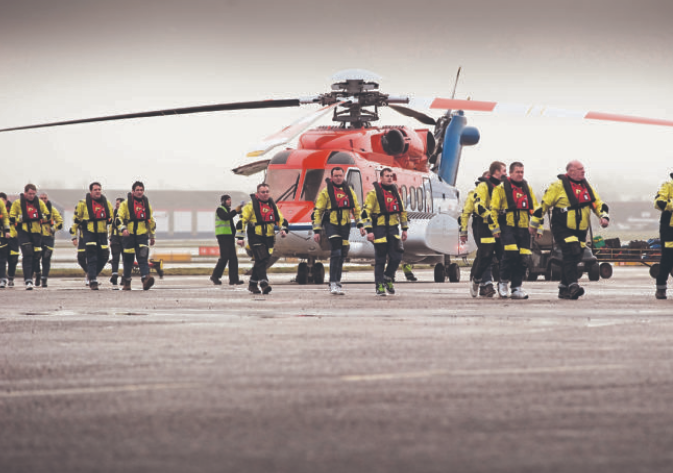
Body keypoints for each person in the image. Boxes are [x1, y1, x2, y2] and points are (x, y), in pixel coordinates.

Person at [530, 160, 609, 299]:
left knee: (578, 255)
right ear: (571, 171)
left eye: (583, 169)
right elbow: (543, 206)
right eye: (580, 169)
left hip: (580, 230)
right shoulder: (557, 186)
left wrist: (603, 216)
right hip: (562, 227)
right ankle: (573, 285)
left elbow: (597, 203)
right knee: (571, 251)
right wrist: (534, 225)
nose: (583, 171)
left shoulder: (586, 186)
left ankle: (563, 287)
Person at [490, 162, 540, 299]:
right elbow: (493, 210)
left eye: (522, 172)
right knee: (510, 254)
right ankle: (503, 282)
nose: (520, 174)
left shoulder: (527, 188)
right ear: (510, 173)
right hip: (507, 225)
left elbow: (535, 209)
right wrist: (495, 228)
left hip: (524, 228)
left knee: (523, 257)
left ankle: (517, 287)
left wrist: (538, 228)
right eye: (517, 172)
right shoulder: (500, 189)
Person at [313, 167, 364, 295]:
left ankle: (337, 282)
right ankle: (333, 282)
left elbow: (356, 210)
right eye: (335, 176)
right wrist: (317, 230)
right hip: (331, 224)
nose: (338, 178)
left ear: (343, 177)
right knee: (336, 252)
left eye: (340, 175)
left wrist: (361, 225)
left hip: (345, 225)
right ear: (332, 177)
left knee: (342, 255)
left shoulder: (349, 191)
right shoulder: (325, 193)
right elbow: (318, 212)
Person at [362, 167, 408, 296]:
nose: (389, 178)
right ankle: (379, 285)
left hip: (393, 229)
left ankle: (388, 276)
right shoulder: (373, 194)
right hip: (379, 229)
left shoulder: (396, 193)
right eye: (387, 176)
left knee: (397, 256)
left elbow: (402, 212)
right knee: (380, 259)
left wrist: (404, 229)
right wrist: (369, 231)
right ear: (381, 178)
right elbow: (365, 213)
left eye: (391, 176)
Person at [237, 183, 288, 294]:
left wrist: (283, 230)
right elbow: (242, 221)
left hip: (269, 237)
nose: (265, 194)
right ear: (258, 193)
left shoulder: (272, 205)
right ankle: (264, 283)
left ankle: (252, 284)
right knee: (261, 258)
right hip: (255, 236)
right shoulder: (250, 206)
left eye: (267, 192)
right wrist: (240, 237)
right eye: (262, 192)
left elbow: (280, 219)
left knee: (263, 261)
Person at [469, 161, 507, 298]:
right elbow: (476, 207)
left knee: (503, 255)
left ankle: (501, 284)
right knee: (486, 255)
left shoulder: (503, 188)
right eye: (504, 170)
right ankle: (480, 281)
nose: (506, 174)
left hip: (500, 225)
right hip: (484, 226)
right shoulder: (482, 188)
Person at [71, 182, 114, 290]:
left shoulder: (107, 203)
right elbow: (76, 220)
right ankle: (93, 280)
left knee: (105, 256)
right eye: (95, 189)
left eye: (99, 189)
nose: (98, 191)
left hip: (102, 233)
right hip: (89, 233)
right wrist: (74, 236)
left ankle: (91, 274)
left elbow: (112, 219)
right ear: (91, 191)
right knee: (92, 257)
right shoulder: (83, 204)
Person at [116, 181, 157, 291]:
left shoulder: (146, 204)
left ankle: (146, 279)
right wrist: (123, 229)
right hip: (129, 236)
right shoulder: (125, 204)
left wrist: (152, 236)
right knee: (128, 260)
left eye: (141, 190)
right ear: (133, 191)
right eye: (137, 190)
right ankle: (127, 282)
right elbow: (118, 218)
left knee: (143, 258)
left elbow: (150, 221)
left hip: (142, 236)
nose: (139, 192)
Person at [461, 171, 496, 297]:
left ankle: (478, 279)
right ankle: (486, 284)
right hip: (480, 225)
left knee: (486, 255)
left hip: (496, 226)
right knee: (486, 255)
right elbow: (465, 214)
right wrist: (463, 232)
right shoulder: (474, 194)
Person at [9, 184, 50, 290]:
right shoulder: (17, 203)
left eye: (33, 194)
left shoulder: (39, 203)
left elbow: (47, 215)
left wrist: (39, 216)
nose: (31, 196)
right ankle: (28, 280)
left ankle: (37, 272)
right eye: (29, 193)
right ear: (25, 193)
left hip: (36, 233)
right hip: (23, 232)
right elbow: (12, 217)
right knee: (27, 254)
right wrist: (22, 218)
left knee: (36, 256)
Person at [211, 194, 243, 286]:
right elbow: (225, 217)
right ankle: (215, 276)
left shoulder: (227, 211)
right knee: (224, 257)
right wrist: (235, 212)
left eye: (230, 200)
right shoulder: (220, 209)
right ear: (223, 201)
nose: (230, 202)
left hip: (229, 237)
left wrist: (235, 235)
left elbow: (230, 224)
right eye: (228, 200)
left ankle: (234, 280)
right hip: (222, 236)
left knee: (233, 258)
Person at [34, 192, 63, 287]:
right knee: (36, 258)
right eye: (41, 198)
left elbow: (60, 221)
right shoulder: (33, 210)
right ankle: (38, 273)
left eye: (45, 198)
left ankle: (44, 278)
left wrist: (53, 229)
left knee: (46, 258)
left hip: (48, 237)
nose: (43, 200)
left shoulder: (52, 210)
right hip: (37, 236)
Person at [653, 172, 673, 299]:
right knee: (667, 258)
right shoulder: (667, 185)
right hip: (669, 228)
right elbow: (658, 202)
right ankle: (661, 288)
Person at [1, 195, 20, 288]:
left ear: (6, 200)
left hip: (14, 237)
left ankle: (11, 277)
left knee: (13, 259)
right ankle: (2, 278)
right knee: (2, 259)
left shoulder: (13, 209)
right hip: (2, 237)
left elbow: (20, 219)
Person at [109, 198, 124, 286]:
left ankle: (124, 277)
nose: (116, 205)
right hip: (115, 237)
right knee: (115, 258)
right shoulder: (114, 213)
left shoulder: (126, 213)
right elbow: (111, 226)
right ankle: (115, 275)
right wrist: (110, 238)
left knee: (126, 259)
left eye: (118, 204)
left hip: (124, 238)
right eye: (116, 203)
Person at [0, 194, 9, 288]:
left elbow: (5, 217)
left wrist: (7, 230)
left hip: (1, 235)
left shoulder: (0, 203)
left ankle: (2, 278)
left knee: (2, 259)